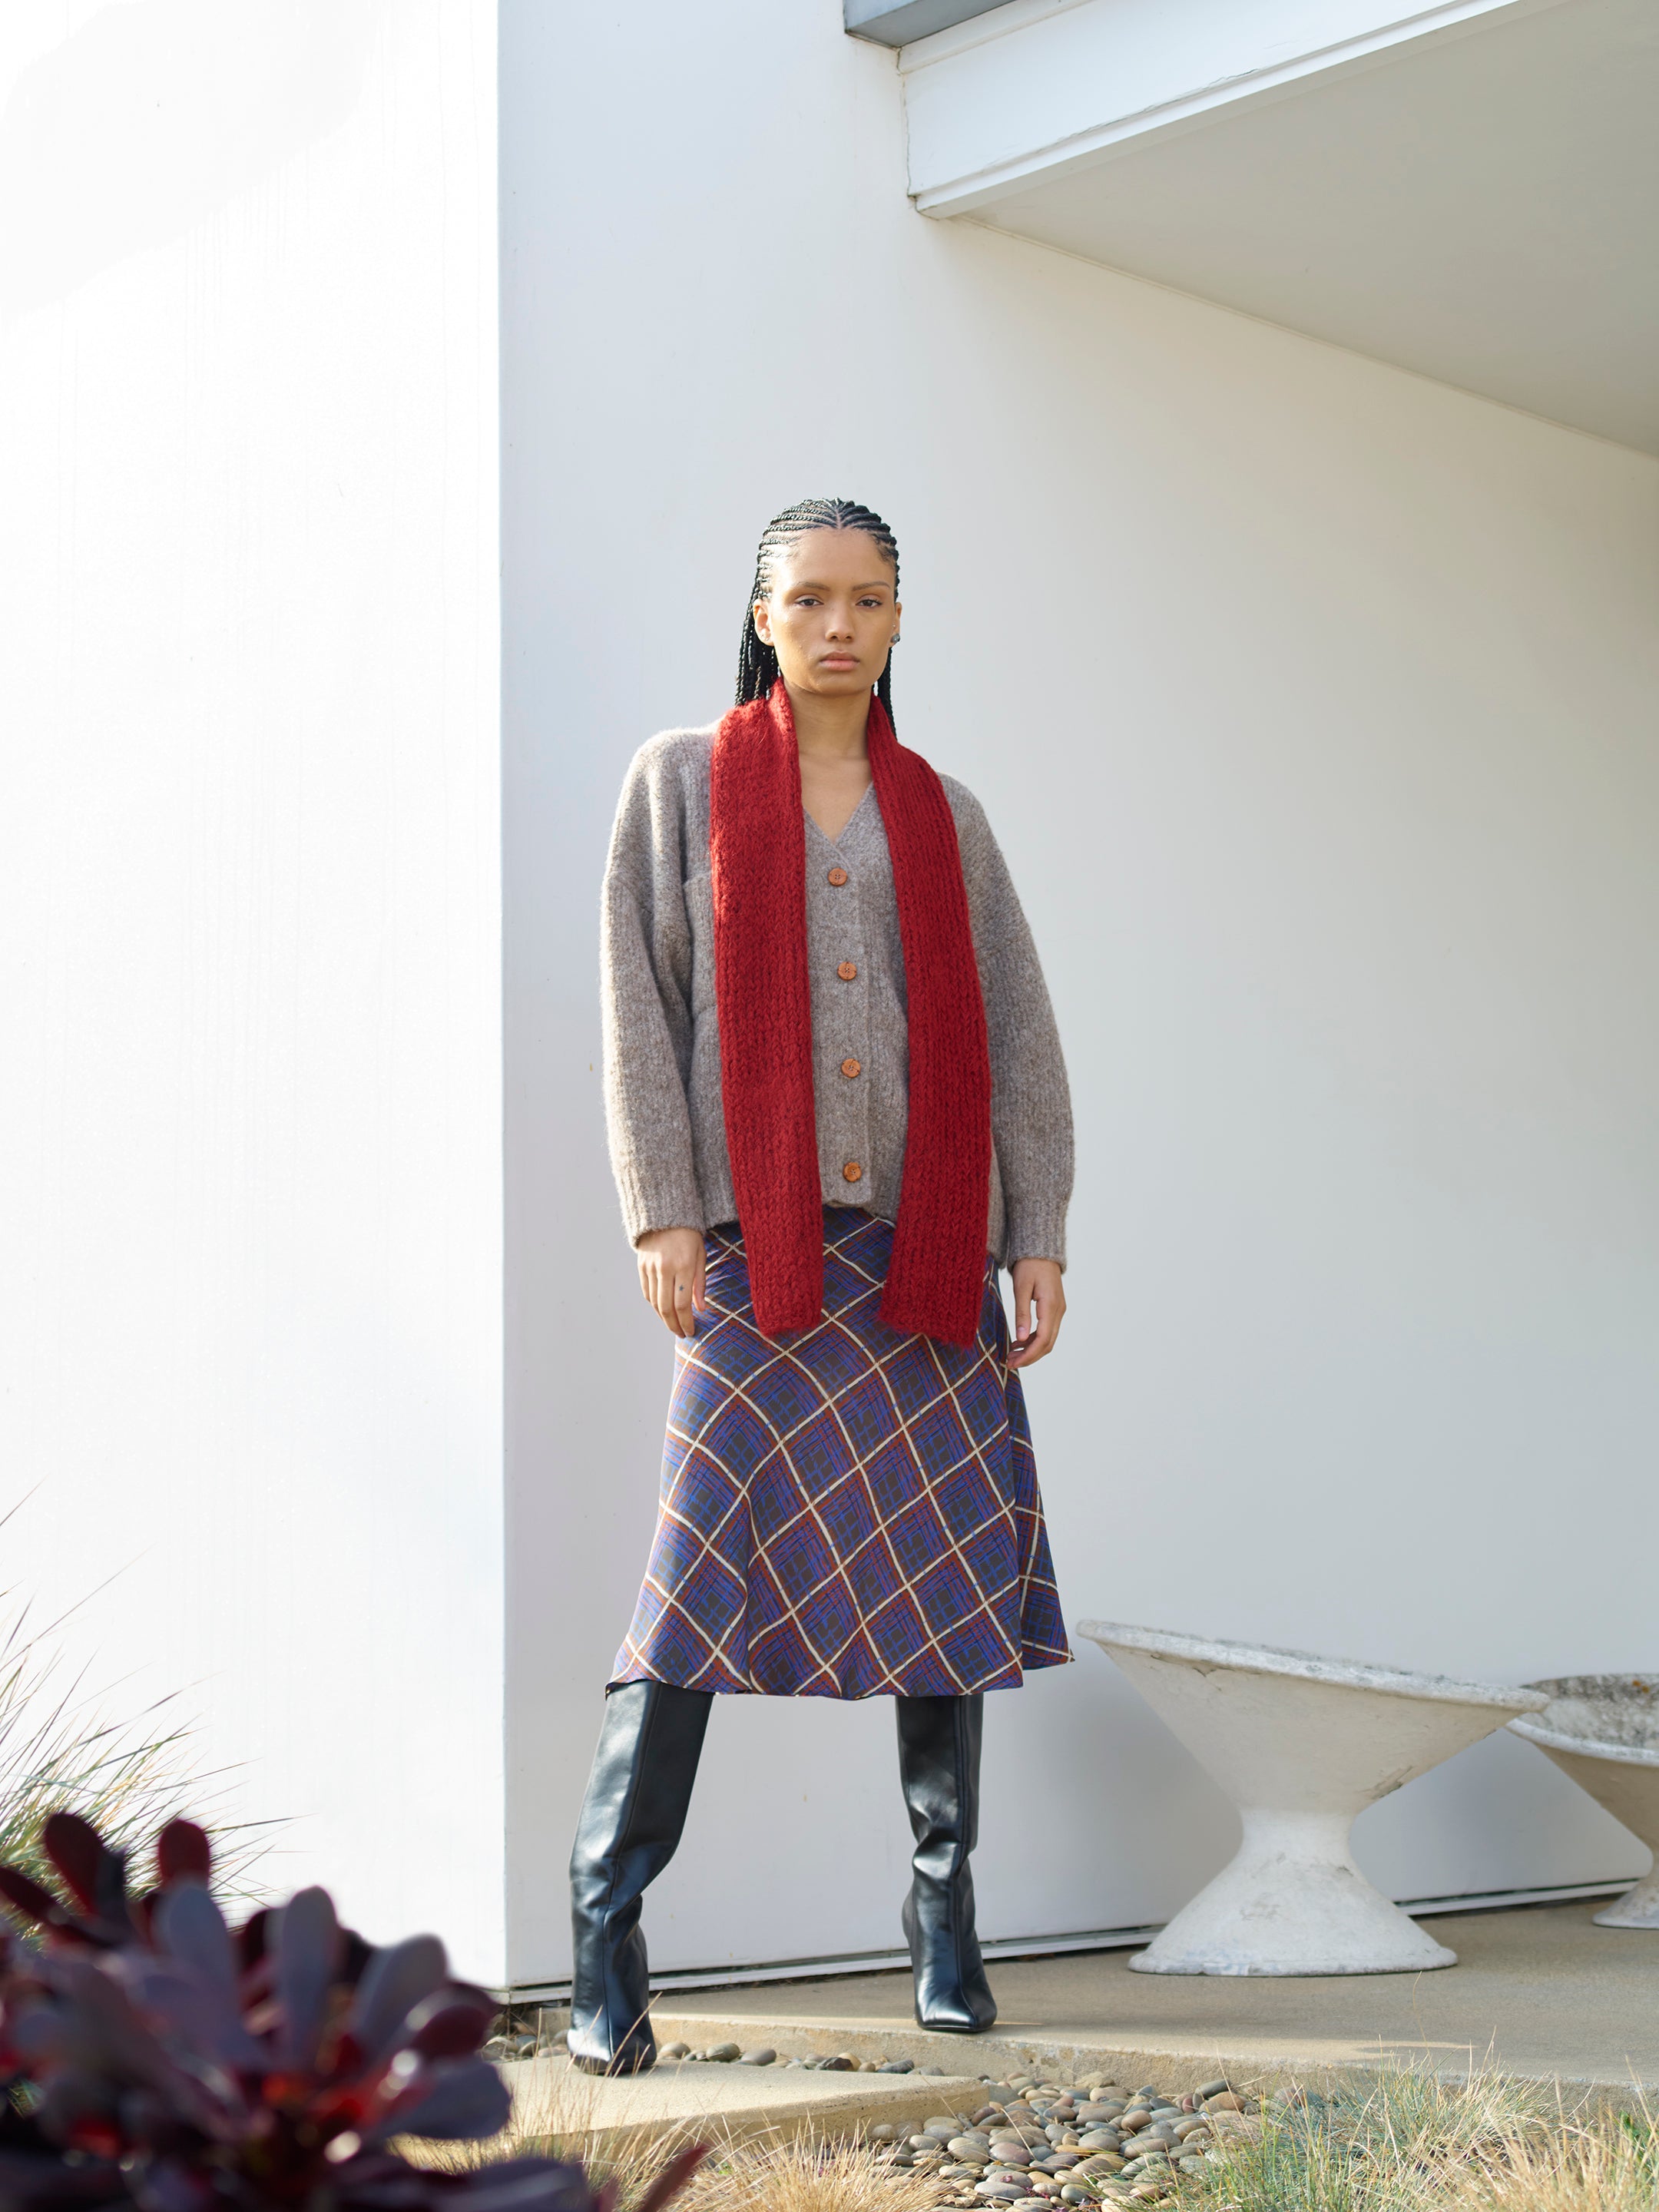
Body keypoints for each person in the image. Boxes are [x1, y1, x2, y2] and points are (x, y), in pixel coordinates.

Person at [570, 498, 1075, 2075]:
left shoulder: (949, 814)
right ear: (766, 615)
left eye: (868, 599)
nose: (839, 623)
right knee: (694, 1583)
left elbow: (1016, 1033)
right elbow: (636, 1012)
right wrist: (665, 1214)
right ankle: (607, 1927)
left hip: (927, 1251)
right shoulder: (680, 785)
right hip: (761, 1248)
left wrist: (1033, 1223)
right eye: (810, 599)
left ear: (901, 619)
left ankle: (944, 1917)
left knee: (940, 1582)